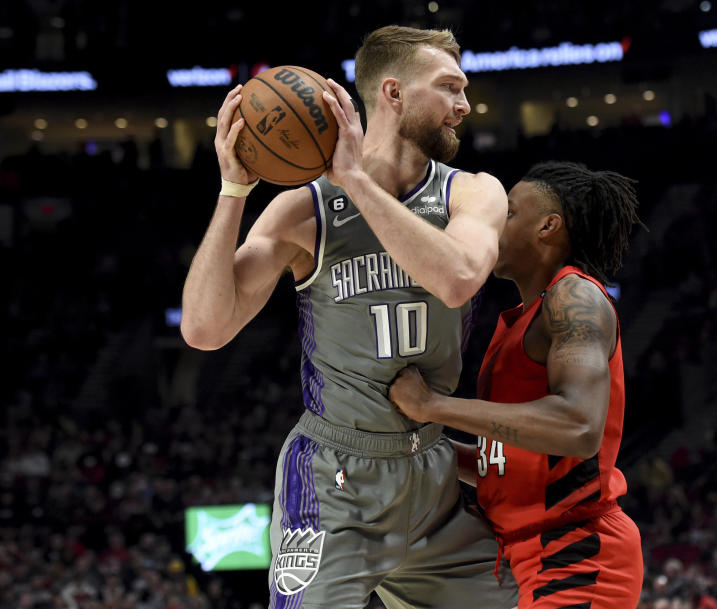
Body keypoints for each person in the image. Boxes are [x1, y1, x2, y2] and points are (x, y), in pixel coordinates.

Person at [181, 25, 518, 609]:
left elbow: (459, 278)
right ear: (393, 93)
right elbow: (205, 329)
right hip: (334, 481)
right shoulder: (304, 209)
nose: (464, 104)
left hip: (433, 474)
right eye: (449, 88)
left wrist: (357, 181)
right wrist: (233, 190)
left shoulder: (474, 193)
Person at [389, 161, 645, 608]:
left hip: (578, 553)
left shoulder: (574, 297)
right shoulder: (520, 319)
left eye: (506, 212)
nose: (491, 223)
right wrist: (426, 452)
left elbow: (578, 427)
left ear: (548, 226)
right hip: (524, 554)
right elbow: (506, 456)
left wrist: (434, 406)